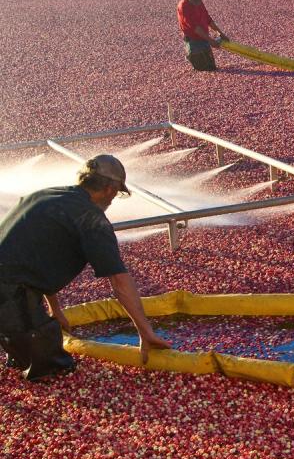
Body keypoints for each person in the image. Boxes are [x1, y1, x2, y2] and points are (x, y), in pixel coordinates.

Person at [0, 155, 172, 382]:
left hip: (11, 286)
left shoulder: (47, 195)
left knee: (27, 350)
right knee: (52, 369)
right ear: (110, 189)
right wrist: (145, 331)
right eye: (117, 192)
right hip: (8, 293)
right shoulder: (91, 220)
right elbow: (119, 281)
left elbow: (35, 257)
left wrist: (56, 310)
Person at [177, 0, 229, 71]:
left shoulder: (198, 1)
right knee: (205, 69)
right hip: (194, 43)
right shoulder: (184, 6)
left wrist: (220, 33)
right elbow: (195, 27)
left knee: (212, 68)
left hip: (204, 40)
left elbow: (208, 19)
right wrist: (210, 40)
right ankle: (191, 57)